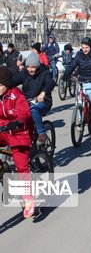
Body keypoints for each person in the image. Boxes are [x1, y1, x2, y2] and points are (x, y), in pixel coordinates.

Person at [0, 66, 35, 218]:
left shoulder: (16, 95)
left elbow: (24, 113)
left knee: (21, 166)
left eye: (0, 85)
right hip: (4, 131)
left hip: (20, 133)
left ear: (7, 84)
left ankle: (28, 199)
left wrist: (18, 122)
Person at [12, 53, 55, 145]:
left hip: (43, 101)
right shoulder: (25, 72)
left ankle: (42, 132)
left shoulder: (45, 72)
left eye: (33, 67)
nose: (30, 70)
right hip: (27, 101)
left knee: (33, 109)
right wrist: (4, 85)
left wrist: (43, 93)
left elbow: (50, 83)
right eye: (28, 67)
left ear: (38, 66)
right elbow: (14, 80)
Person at [62, 37, 91, 116]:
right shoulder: (79, 54)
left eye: (87, 47)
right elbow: (72, 65)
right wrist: (65, 75)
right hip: (82, 79)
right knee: (78, 98)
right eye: (83, 47)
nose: (84, 50)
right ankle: (79, 119)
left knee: (88, 90)